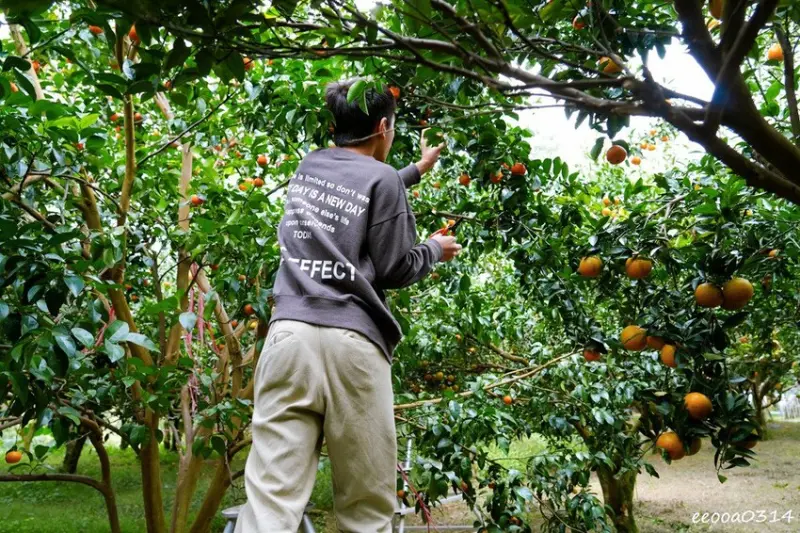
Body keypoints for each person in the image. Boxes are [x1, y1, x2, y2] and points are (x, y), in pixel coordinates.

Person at [235, 79, 462, 533]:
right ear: (383, 127)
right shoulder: (381, 180)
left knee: (270, 504)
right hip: (352, 344)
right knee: (365, 509)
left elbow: (354, 193)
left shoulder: (309, 166)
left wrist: (416, 169)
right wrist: (435, 249)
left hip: (289, 338)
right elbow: (396, 267)